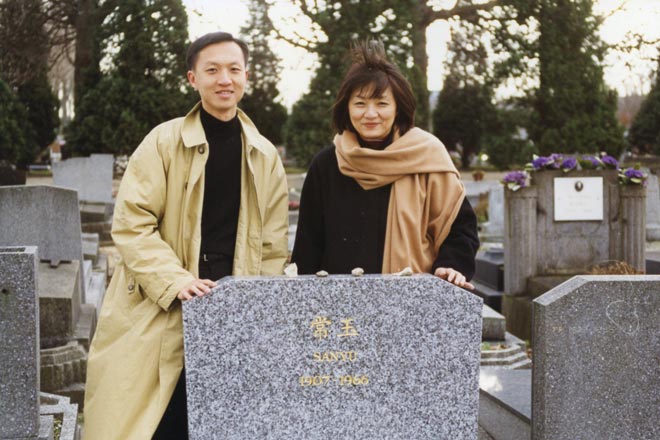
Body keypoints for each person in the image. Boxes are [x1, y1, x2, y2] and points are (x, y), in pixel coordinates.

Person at [83, 32, 289, 440]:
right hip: (164, 299)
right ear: (193, 79)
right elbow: (133, 223)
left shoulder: (264, 155)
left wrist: (257, 304)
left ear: (246, 76)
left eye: (234, 69)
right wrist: (175, 281)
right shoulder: (163, 142)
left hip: (232, 304)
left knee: (224, 420)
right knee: (156, 421)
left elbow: (272, 245)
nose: (224, 79)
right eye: (212, 70)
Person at [291, 41, 478, 287]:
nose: (370, 114)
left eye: (381, 103)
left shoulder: (428, 158)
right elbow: (308, 244)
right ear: (346, 108)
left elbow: (460, 229)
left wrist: (451, 265)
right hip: (339, 300)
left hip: (413, 298)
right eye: (360, 103)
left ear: (398, 108)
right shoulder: (326, 164)